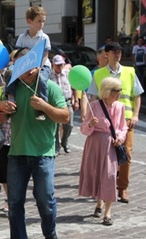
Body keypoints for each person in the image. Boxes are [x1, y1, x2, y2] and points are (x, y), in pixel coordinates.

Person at [0, 48, 69, 239]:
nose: (24, 70)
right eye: (18, 66)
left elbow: (65, 117)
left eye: (27, 64)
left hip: (43, 153)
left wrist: (45, 106)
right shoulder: (11, 89)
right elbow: (0, 121)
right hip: (17, 152)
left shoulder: (50, 88)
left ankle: (50, 232)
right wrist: (1, 108)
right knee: (15, 202)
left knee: (45, 198)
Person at [87, 41, 143, 204]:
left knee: (126, 153)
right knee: (105, 157)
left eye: (119, 51)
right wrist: (91, 117)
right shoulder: (98, 74)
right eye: (114, 52)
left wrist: (135, 115)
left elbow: (137, 95)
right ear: (107, 54)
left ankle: (122, 187)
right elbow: (92, 97)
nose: (117, 54)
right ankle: (102, 188)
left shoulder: (130, 72)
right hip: (104, 121)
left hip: (125, 118)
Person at [79, 77, 127, 226]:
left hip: (111, 145)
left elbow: (123, 126)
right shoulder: (94, 106)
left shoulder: (120, 106)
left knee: (110, 176)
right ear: (107, 91)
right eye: (116, 91)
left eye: (120, 90)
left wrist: (120, 136)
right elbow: (84, 129)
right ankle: (99, 203)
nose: (119, 93)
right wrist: (90, 124)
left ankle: (108, 212)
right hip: (95, 144)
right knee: (97, 174)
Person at [7, 6, 52, 121]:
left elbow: (45, 55)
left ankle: (42, 107)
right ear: (29, 21)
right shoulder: (22, 38)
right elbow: (17, 53)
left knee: (41, 78)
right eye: (39, 21)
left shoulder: (44, 37)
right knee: (10, 73)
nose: (41, 24)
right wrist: (16, 64)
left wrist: (38, 68)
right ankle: (11, 98)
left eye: (43, 21)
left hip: (42, 65)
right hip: (25, 65)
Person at [49, 54, 79, 155]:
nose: (60, 67)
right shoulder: (49, 75)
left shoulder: (68, 74)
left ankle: (64, 141)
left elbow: (74, 87)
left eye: (61, 64)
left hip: (68, 101)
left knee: (69, 125)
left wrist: (76, 101)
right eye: (57, 65)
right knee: (56, 126)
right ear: (53, 64)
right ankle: (56, 146)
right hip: (54, 103)